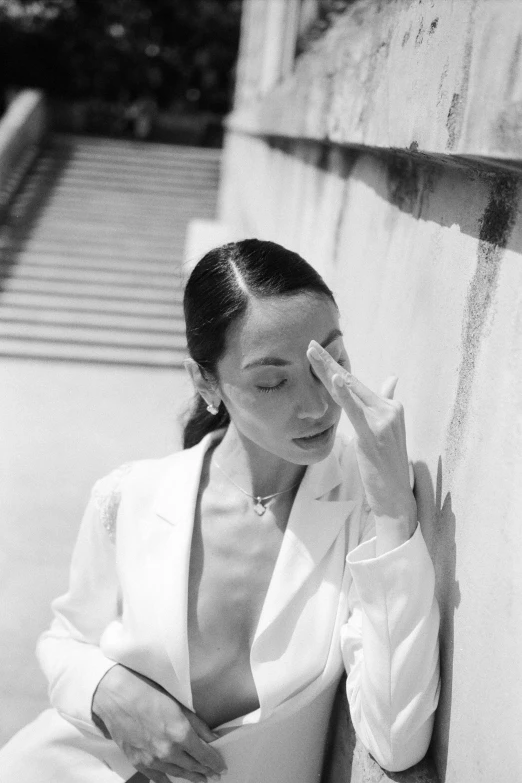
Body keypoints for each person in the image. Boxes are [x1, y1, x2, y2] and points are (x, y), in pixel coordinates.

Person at [0, 239, 440, 783]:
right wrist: (106, 691)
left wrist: (396, 509)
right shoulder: (129, 495)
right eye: (272, 381)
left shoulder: (369, 509)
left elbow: (396, 740)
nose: (318, 404)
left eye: (331, 362)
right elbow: (66, 638)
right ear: (206, 382)